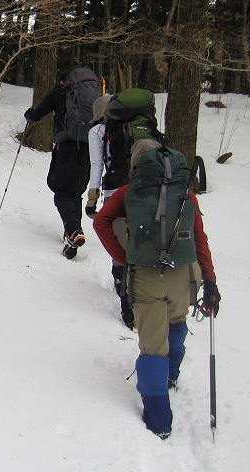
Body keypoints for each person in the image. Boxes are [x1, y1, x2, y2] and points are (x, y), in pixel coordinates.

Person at [93, 139, 222, 439]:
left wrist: (124, 258)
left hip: (147, 277)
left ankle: (160, 421)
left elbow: (101, 222)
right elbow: (199, 238)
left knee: (152, 347)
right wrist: (211, 281)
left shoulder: (129, 192)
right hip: (186, 274)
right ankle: (170, 376)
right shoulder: (185, 189)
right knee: (177, 323)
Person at [24, 68, 98, 259]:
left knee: (62, 193)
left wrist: (29, 114)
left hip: (66, 147)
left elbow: (36, 115)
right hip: (89, 147)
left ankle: (73, 231)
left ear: (62, 80)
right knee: (75, 192)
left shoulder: (60, 92)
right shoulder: (90, 95)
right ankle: (73, 232)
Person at [85, 94, 135, 329]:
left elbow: (97, 165)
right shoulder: (135, 126)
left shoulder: (97, 132)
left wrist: (92, 197)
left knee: (118, 239)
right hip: (143, 188)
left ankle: (123, 289)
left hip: (116, 189)